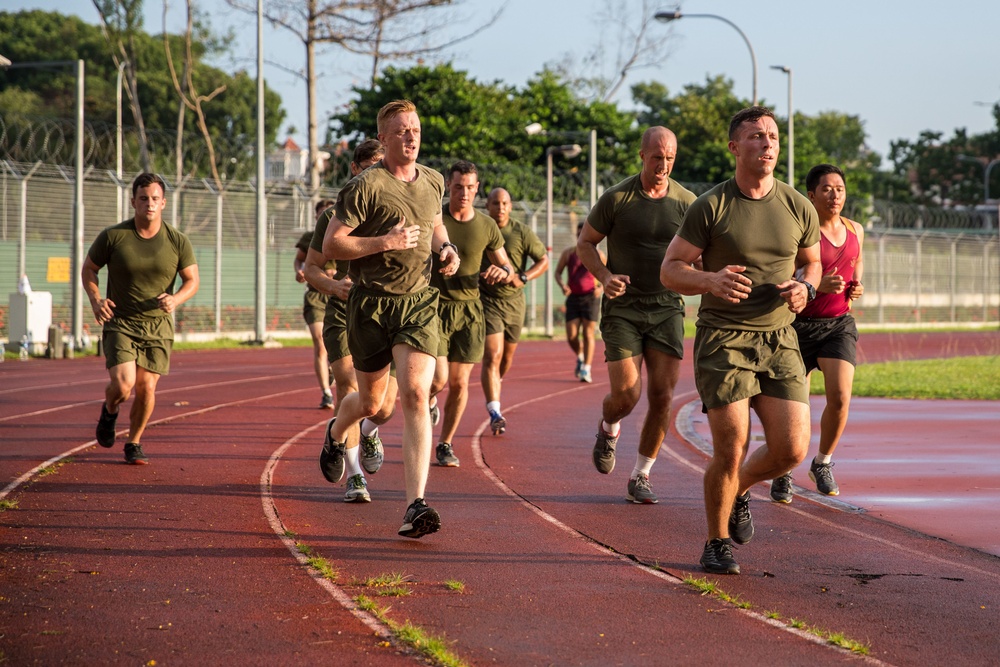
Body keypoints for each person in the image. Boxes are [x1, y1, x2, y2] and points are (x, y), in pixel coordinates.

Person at [660, 106, 821, 575]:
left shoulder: (797, 205)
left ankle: (741, 490)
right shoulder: (711, 205)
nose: (767, 143)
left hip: (779, 338)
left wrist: (806, 287)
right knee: (730, 447)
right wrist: (710, 281)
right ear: (734, 147)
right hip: (724, 339)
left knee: (791, 449)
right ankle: (716, 542)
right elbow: (670, 270)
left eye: (772, 136)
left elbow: (813, 262)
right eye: (756, 136)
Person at [320, 100, 459, 538]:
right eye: (401, 131)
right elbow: (332, 247)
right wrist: (385, 241)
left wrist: (446, 249)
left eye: (415, 129)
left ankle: (415, 506)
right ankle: (337, 429)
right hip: (370, 306)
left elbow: (435, 223)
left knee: (416, 394)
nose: (411, 137)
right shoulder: (366, 186)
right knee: (374, 406)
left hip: (418, 302)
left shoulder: (434, 180)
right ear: (383, 139)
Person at [576, 126, 696, 505]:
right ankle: (609, 427)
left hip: (666, 308)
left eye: (670, 158)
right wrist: (606, 276)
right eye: (657, 157)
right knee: (627, 395)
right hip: (624, 308)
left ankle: (641, 474)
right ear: (642, 156)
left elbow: (704, 255)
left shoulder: (688, 203)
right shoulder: (617, 198)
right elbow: (585, 243)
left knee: (662, 396)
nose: (663, 165)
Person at [82, 172, 200, 465]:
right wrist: (96, 300)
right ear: (133, 201)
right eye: (143, 198)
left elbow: (192, 281)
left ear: (163, 204)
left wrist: (175, 299)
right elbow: (89, 269)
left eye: (155, 199)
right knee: (123, 385)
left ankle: (133, 442)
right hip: (120, 321)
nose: (149, 204)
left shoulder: (177, 241)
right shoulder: (114, 236)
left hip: (157, 325)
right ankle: (110, 409)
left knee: (146, 387)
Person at [770, 164, 865, 503]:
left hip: (838, 324)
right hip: (798, 326)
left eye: (839, 188)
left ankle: (822, 462)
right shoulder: (801, 233)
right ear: (811, 195)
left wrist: (854, 289)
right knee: (798, 407)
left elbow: (856, 264)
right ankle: (783, 469)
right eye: (826, 188)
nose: (834, 194)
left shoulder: (856, 229)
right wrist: (815, 284)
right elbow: (786, 275)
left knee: (840, 397)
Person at [305, 139, 390, 503]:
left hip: (387, 312)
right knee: (346, 382)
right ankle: (355, 477)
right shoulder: (331, 216)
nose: (376, 174)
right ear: (356, 170)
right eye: (370, 167)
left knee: (382, 407)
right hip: (343, 311)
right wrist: (333, 286)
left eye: (381, 167)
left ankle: (367, 431)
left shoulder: (396, 210)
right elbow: (311, 269)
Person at [428, 161, 513, 465]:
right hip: (434, 307)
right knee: (438, 379)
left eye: (469, 187)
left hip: (470, 311)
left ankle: (445, 444)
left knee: (460, 383)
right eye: (458, 187)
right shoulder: (435, 220)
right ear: (449, 188)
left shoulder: (487, 226)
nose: (464, 193)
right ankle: (429, 400)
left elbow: (507, 265)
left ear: (477, 189)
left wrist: (501, 271)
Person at [478, 187, 549, 434]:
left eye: (504, 203)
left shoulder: (521, 231)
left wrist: (524, 277)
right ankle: (495, 411)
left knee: (506, 359)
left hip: (515, 304)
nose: (500, 208)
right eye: (495, 203)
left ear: (510, 206)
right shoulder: (481, 227)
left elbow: (543, 261)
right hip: (487, 301)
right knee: (493, 354)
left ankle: (496, 387)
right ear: (487, 206)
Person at [295, 199, 336, 409]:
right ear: (315, 216)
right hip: (315, 297)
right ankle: (326, 393)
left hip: (337, 295)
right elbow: (299, 260)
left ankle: (333, 367)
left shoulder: (342, 234)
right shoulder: (309, 238)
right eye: (321, 213)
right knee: (320, 343)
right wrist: (299, 272)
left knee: (335, 344)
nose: (325, 216)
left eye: (329, 212)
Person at [555, 222, 603, 383]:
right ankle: (581, 356)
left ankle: (586, 369)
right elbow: (558, 272)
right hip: (574, 298)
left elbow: (609, 273)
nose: (582, 235)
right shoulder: (568, 253)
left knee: (588, 334)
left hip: (591, 297)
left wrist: (601, 288)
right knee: (572, 335)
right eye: (579, 233)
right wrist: (563, 285)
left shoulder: (599, 254)